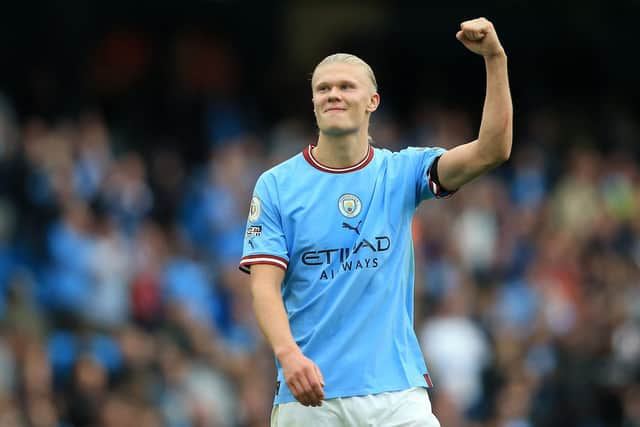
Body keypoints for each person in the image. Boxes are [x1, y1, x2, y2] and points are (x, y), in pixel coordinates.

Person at [239, 17, 512, 426]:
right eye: (323, 88)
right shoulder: (277, 185)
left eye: (346, 86)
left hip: (396, 394)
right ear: (313, 103)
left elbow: (492, 150)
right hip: (310, 395)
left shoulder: (402, 172)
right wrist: (288, 355)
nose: (333, 94)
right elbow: (263, 285)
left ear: (372, 101)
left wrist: (495, 57)